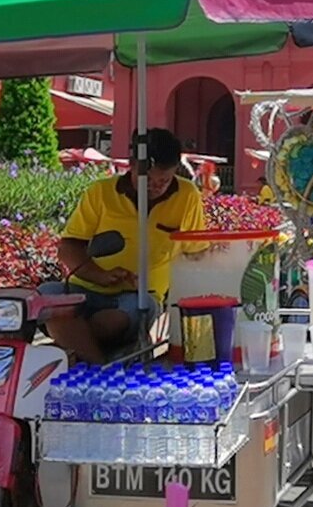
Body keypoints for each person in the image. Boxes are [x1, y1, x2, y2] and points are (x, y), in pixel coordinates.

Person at [41, 128, 206, 365]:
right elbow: (69, 247)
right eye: (147, 179)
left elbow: (194, 252)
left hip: (139, 297)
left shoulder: (187, 195)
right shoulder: (100, 192)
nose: (155, 186)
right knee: (49, 299)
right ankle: (98, 365)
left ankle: (74, 349)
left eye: (164, 181)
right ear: (131, 166)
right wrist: (100, 276)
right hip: (85, 288)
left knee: (110, 321)